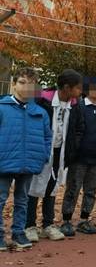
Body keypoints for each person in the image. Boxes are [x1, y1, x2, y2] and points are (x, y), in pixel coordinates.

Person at [26, 69, 83, 243]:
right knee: (34, 187)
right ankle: (29, 225)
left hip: (61, 152)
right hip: (41, 151)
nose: (80, 92)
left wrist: (73, 148)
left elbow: (79, 128)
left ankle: (48, 224)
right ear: (67, 87)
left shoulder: (74, 105)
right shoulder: (41, 101)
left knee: (52, 186)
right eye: (78, 88)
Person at [0, 68, 52, 250]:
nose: (26, 87)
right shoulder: (2, 108)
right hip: (3, 163)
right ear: (13, 84)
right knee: (0, 199)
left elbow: (47, 137)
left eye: (31, 83)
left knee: (22, 200)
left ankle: (18, 233)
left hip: (29, 163)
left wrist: (43, 156)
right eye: (22, 82)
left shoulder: (40, 112)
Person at [60, 78, 96, 236]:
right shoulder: (78, 107)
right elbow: (71, 131)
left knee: (90, 190)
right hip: (79, 158)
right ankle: (66, 220)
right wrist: (72, 153)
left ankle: (84, 219)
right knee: (73, 189)